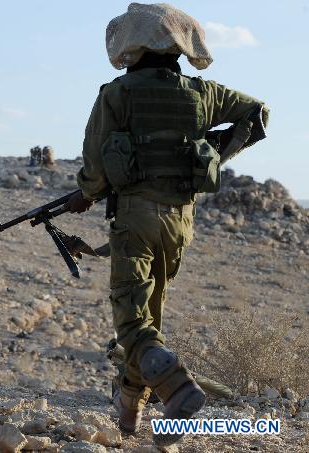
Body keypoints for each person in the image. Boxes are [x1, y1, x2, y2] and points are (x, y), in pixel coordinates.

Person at [65, 3, 268, 446]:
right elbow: (257, 115)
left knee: (132, 323)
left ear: (132, 48)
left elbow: (96, 169)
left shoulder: (116, 95)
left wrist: (87, 192)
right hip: (179, 221)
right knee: (150, 315)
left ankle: (176, 387)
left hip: (135, 217)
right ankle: (129, 413)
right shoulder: (204, 94)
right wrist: (211, 153)